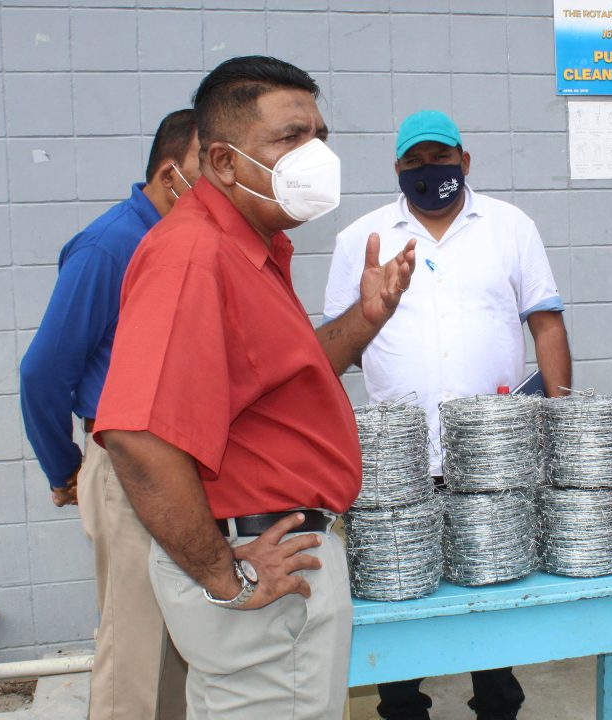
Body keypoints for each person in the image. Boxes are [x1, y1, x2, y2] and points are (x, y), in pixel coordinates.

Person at [93, 55, 417, 720]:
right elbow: (133, 434)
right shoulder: (193, 256)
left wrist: (366, 318)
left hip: (281, 563)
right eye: (290, 137)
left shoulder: (253, 249)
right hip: (261, 571)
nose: (315, 154)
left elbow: (284, 383)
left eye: (320, 136)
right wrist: (224, 576)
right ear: (224, 161)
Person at [323, 109, 572, 720]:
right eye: (413, 161)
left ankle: (496, 702)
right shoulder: (362, 238)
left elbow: (546, 322)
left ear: (465, 161)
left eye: (439, 157)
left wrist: (561, 420)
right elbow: (332, 347)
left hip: (492, 455)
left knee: (492, 586)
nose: (427, 170)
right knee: (399, 592)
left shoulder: (510, 227)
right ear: (397, 168)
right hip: (398, 460)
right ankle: (404, 707)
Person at [19, 109, 200, 720]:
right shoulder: (109, 245)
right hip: (126, 464)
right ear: (173, 172)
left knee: (184, 646)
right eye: (213, 166)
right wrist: (63, 467)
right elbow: (43, 371)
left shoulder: (190, 245)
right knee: (134, 651)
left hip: (186, 464)